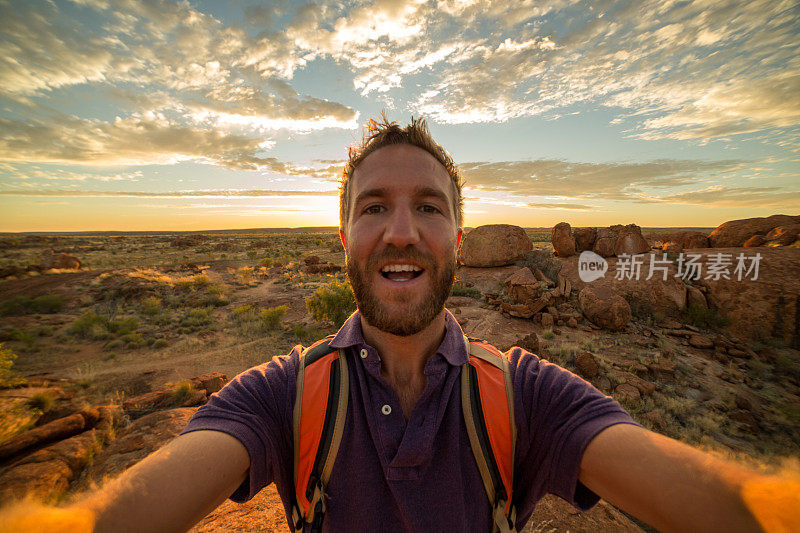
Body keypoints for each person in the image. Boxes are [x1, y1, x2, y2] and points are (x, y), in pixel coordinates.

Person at [4, 117, 797, 533]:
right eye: (373, 207)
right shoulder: (286, 393)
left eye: (429, 207)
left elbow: (737, 505)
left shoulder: (526, 395)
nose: (401, 231)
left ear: (459, 237)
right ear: (343, 238)